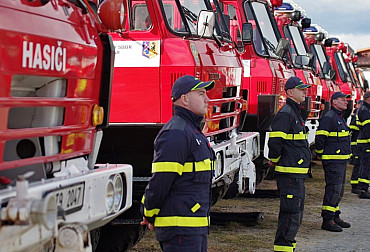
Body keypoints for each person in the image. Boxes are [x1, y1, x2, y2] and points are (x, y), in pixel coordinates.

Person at [140, 75, 215, 252]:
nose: (207, 99)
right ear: (185, 99)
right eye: (201, 93)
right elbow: (161, 181)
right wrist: (149, 212)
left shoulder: (191, 131)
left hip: (193, 227)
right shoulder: (176, 133)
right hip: (181, 230)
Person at [268, 76, 311, 252]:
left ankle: (288, 246)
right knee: (290, 212)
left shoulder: (294, 112)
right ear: (290, 92)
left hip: (296, 172)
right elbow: (275, 142)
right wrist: (275, 160)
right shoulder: (286, 113)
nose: (305, 92)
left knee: (296, 213)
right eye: (301, 89)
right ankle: (283, 248)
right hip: (289, 172)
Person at [315, 91, 351, 232]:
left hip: (340, 161)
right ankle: (327, 220)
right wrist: (320, 153)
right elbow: (320, 138)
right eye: (343, 100)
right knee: (333, 190)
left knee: (339, 191)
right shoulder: (329, 117)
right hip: (333, 161)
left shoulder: (339, 117)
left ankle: (335, 215)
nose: (346, 102)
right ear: (334, 102)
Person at [356, 91, 370, 199]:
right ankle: (363, 189)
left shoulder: (364, 109)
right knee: (366, 166)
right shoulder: (365, 111)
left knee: (364, 165)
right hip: (366, 142)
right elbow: (367, 128)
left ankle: (363, 188)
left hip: (363, 141)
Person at [349, 100, 362, 194]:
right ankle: (354, 185)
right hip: (356, 144)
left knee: (360, 164)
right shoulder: (357, 116)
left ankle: (358, 184)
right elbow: (352, 131)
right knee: (358, 164)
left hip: (358, 143)